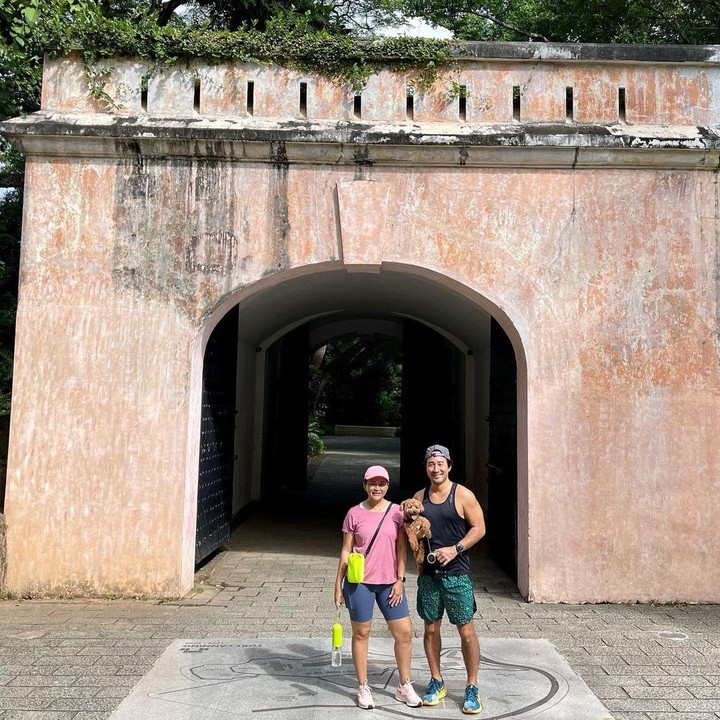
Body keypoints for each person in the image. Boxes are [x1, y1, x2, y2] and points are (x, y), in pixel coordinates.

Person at [335, 465, 423, 710]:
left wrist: (400, 580)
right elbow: (345, 550)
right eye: (372, 483)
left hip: (388, 583)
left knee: (404, 632)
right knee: (362, 633)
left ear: (387, 486)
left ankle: (404, 685)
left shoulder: (397, 512)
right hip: (359, 582)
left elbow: (401, 548)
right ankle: (363, 686)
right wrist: (337, 585)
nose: (377, 488)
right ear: (365, 485)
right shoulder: (354, 513)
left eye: (381, 483)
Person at [413, 444, 487, 715]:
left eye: (440, 463)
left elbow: (479, 528)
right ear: (426, 467)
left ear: (449, 466)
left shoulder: (463, 495)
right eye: (431, 464)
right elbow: (414, 529)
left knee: (465, 630)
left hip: (457, 574)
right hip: (429, 576)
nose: (436, 469)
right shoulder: (420, 496)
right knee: (431, 628)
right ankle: (436, 681)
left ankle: (472, 687)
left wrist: (455, 549)